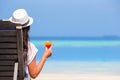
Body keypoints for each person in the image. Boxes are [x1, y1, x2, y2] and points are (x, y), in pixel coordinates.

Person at [9, 9, 52, 79]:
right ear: (28, 28)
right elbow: (34, 74)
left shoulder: (3, 44)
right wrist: (45, 56)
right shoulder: (28, 47)